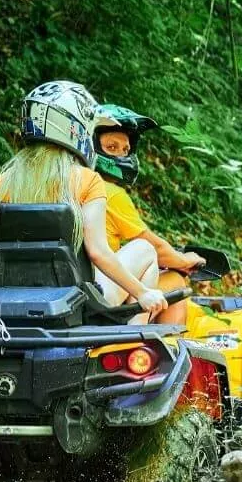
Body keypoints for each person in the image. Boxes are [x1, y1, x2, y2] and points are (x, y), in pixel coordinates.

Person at [0, 81, 167, 321]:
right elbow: (98, 253)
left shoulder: (3, 181)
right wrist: (142, 293)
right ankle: (131, 339)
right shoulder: (87, 180)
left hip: (8, 301)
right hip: (78, 303)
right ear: (77, 127)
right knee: (145, 249)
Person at [93, 104, 207, 325]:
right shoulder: (109, 193)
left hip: (68, 290)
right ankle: (164, 349)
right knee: (175, 280)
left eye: (125, 149)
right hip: (97, 292)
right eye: (112, 147)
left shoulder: (67, 183)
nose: (121, 154)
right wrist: (185, 261)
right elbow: (156, 249)